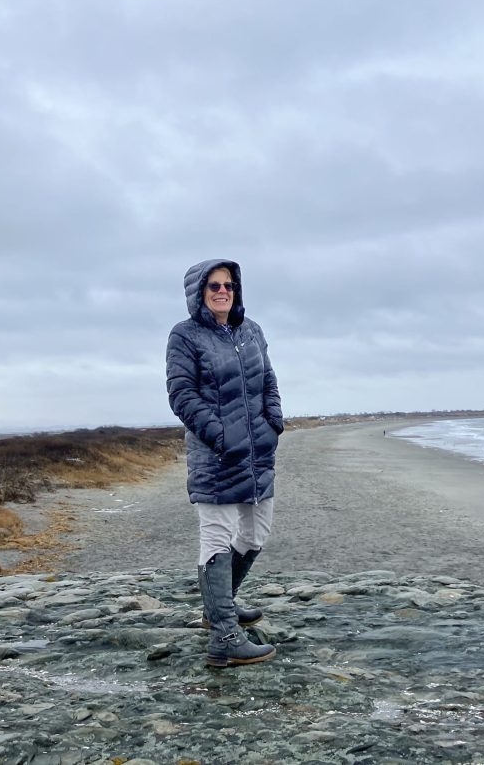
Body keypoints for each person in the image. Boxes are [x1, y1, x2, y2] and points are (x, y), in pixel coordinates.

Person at [165, 258, 284, 667]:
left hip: (257, 455)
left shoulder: (252, 331)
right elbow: (181, 394)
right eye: (213, 286)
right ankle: (224, 636)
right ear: (199, 293)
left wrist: (274, 423)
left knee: (255, 533)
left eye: (228, 285)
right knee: (216, 538)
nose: (222, 292)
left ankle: (219, 606)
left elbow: (268, 380)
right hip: (215, 456)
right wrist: (220, 434)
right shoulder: (185, 336)